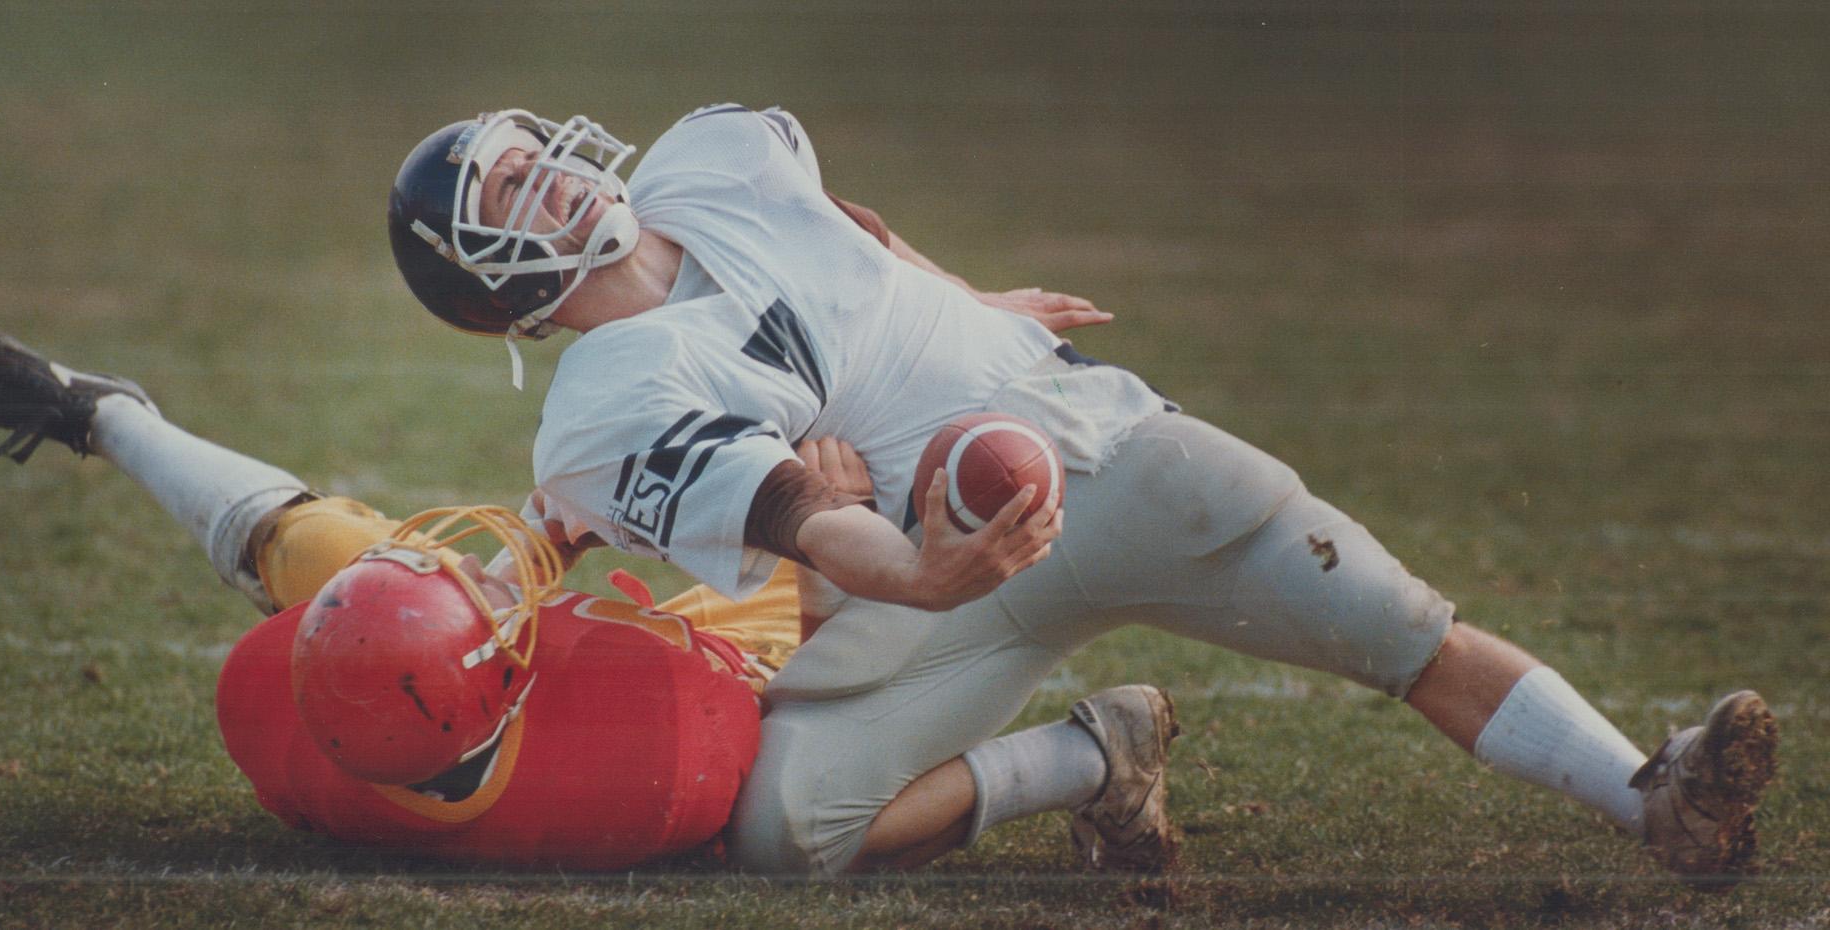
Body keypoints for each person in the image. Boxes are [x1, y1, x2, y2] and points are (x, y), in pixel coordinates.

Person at [382, 103, 1780, 883]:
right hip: (946, 556)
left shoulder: (715, 156)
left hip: (1102, 447)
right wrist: (929, 571)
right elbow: (805, 518)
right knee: (783, 829)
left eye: (528, 151)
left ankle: (1655, 795)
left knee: (1401, 628)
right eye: (508, 185)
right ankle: (1090, 758)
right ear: (489, 282)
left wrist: (967, 297)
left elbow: (852, 244)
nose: (548, 174)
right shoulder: (609, 401)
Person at [0, 319, 1159, 873]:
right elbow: (803, 663)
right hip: (688, 671)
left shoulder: (280, 708)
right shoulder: (657, 759)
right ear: (510, 686)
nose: (488, 574)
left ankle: (102, 412)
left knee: (302, 542)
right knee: (796, 830)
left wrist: (511, 561)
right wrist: (817, 530)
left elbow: (322, 575)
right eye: (493, 602)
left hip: (426, 697)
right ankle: (1091, 754)